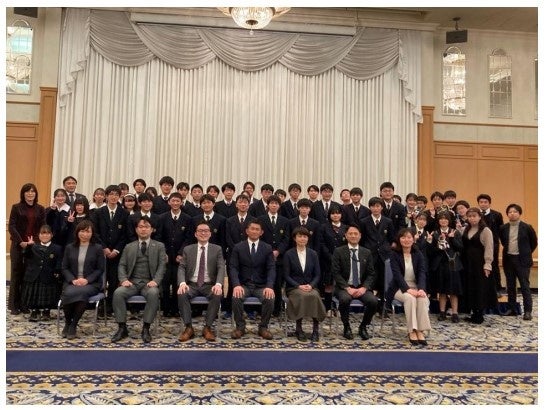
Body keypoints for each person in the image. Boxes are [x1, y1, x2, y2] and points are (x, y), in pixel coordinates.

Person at [111, 216, 167, 343]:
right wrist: (123, 279)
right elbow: (122, 265)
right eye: (140, 227)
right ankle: (122, 327)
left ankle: (146, 328)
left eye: (146, 227)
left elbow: (162, 266)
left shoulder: (159, 246)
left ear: (152, 229)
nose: (143, 229)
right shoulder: (129, 246)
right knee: (118, 293)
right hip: (132, 282)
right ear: (136, 230)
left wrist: (156, 281)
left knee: (153, 293)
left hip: (149, 282)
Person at [177, 222, 225, 342]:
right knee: (182, 293)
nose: (203, 233)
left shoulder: (217, 249)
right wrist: (182, 283)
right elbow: (182, 267)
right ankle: (188, 328)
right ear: (195, 234)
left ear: (210, 234)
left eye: (206, 231)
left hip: (209, 285)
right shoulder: (188, 249)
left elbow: (221, 267)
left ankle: (207, 328)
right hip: (192, 284)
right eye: (200, 231)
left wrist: (218, 284)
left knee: (217, 294)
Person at [229, 221, 276, 340]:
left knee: (269, 298)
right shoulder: (238, 247)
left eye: (257, 229)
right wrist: (236, 285)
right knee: (236, 296)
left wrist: (269, 286)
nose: (254, 231)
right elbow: (233, 267)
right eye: (252, 229)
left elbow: (271, 268)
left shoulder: (267, 248)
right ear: (247, 231)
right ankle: (240, 327)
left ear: (261, 232)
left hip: (261, 286)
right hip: (244, 285)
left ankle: (263, 327)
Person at [332, 225, 378, 340]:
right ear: (346, 236)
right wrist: (348, 288)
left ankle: (363, 326)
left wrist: (364, 288)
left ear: (360, 236)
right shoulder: (339, 251)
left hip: (361, 287)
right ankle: (346, 326)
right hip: (344, 287)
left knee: (373, 301)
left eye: (356, 234)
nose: (353, 236)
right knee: (345, 299)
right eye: (350, 234)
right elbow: (336, 273)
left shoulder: (366, 252)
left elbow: (371, 274)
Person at [60, 220, 104, 339]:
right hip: (72, 282)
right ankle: (68, 323)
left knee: (82, 294)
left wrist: (87, 280)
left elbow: (100, 269)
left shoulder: (97, 248)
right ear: (77, 232)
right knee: (68, 292)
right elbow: (64, 267)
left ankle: (73, 324)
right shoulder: (69, 247)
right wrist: (73, 280)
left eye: (88, 231)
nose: (85, 234)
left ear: (92, 233)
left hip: (91, 283)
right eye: (82, 231)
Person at [388, 228, 431, 346]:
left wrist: (421, 289)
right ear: (399, 240)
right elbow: (397, 276)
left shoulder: (418, 254)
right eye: (403, 237)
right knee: (410, 298)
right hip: (399, 288)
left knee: (422, 298)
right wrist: (408, 290)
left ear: (413, 239)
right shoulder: (394, 255)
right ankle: (411, 330)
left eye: (409, 237)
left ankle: (420, 330)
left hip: (416, 286)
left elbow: (422, 273)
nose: (406, 240)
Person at [9, 183, 46, 315]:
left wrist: (34, 241)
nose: (30, 194)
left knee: (28, 276)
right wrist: (21, 242)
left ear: (36, 194)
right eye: (27, 191)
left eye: (32, 191)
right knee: (16, 274)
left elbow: (43, 227)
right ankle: (13, 305)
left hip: (33, 246)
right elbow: (12, 226)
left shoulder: (40, 209)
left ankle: (24, 304)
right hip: (18, 245)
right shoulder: (16, 207)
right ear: (23, 194)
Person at [284, 227, 326, 342]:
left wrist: (311, 285)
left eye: (305, 236)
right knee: (301, 296)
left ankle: (315, 330)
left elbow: (317, 274)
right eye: (300, 236)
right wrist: (299, 286)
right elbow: (286, 276)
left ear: (308, 238)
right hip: (294, 287)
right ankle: (299, 329)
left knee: (314, 295)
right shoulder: (288, 254)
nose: (302, 239)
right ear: (295, 238)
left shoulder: (313, 254)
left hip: (310, 286)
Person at [91, 184, 128, 315]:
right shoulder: (98, 212)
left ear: (120, 197)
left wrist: (116, 250)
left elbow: (125, 235)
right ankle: (100, 305)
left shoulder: (124, 213)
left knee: (114, 280)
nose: (113, 197)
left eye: (116, 195)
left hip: (117, 254)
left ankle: (111, 306)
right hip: (101, 253)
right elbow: (95, 233)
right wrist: (104, 248)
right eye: (111, 194)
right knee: (101, 279)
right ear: (106, 196)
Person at [155, 192, 194, 317]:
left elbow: (189, 238)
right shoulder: (162, 217)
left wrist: (181, 253)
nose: (175, 203)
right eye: (173, 201)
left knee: (179, 282)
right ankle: (166, 309)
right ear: (169, 202)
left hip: (180, 257)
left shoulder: (188, 219)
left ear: (181, 202)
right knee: (165, 283)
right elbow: (158, 237)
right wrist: (164, 252)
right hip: (166, 256)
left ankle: (177, 309)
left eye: (178, 201)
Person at [499, 204, 537, 321]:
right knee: (510, 286)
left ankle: (528, 311)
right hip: (508, 259)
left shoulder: (527, 227)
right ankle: (512, 309)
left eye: (515, 211)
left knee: (525, 286)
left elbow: (533, 243)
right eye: (510, 212)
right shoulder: (503, 228)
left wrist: (525, 253)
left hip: (522, 260)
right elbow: (503, 242)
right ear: (507, 214)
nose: (512, 214)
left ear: (519, 213)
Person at [461, 207, 497, 324]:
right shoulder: (466, 229)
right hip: (468, 264)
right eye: (469, 216)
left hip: (479, 264)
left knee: (480, 287)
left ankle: (479, 314)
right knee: (470, 287)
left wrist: (487, 264)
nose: (472, 218)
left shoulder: (486, 230)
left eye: (474, 216)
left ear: (480, 217)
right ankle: (473, 312)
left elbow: (489, 248)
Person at [427, 212, 464, 323]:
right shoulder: (435, 233)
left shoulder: (455, 232)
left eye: (445, 219)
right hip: (439, 264)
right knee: (441, 290)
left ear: (449, 221)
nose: (443, 221)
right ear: (438, 221)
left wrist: (452, 239)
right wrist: (431, 242)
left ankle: (455, 313)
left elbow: (460, 248)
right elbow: (431, 251)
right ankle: (442, 312)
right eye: (441, 219)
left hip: (452, 264)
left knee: (453, 290)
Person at [257, 195, 290, 316]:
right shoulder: (261, 219)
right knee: (263, 282)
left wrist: (278, 251)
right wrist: (268, 251)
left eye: (276, 203)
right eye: (272, 203)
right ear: (268, 205)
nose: (274, 205)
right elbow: (258, 236)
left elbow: (286, 239)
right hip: (263, 256)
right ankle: (262, 309)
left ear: (279, 206)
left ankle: (277, 309)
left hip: (279, 258)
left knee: (277, 283)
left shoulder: (285, 221)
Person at [22, 225, 62, 322]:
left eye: (47, 233)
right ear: (39, 235)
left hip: (49, 275)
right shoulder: (33, 246)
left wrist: (57, 271)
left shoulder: (57, 248)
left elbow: (59, 261)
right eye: (42, 233)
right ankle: (34, 311)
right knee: (34, 295)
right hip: (34, 276)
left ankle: (46, 311)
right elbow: (26, 255)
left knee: (47, 296)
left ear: (51, 235)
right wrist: (28, 246)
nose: (45, 236)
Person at [319, 204, 348, 313]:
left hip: (343, 261)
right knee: (329, 285)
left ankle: (341, 309)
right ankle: (328, 308)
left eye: (338, 213)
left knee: (342, 285)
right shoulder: (323, 227)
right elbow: (322, 243)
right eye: (333, 213)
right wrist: (330, 256)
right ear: (329, 215)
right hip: (328, 260)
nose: (335, 215)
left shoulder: (346, 228)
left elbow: (348, 244)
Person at [477, 194, 504, 295]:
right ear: (478, 203)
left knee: (494, 266)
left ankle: (497, 289)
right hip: (479, 246)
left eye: (485, 202)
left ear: (489, 203)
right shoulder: (476, 214)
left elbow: (501, 231)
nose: (483, 204)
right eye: (481, 202)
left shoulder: (497, 215)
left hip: (493, 246)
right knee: (481, 267)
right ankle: (482, 289)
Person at [46, 188, 71, 252]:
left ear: (66, 197)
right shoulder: (48, 209)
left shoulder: (70, 210)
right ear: (54, 198)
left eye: (62, 196)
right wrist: (52, 211)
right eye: (58, 196)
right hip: (51, 240)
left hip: (66, 241)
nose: (60, 198)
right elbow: (47, 222)